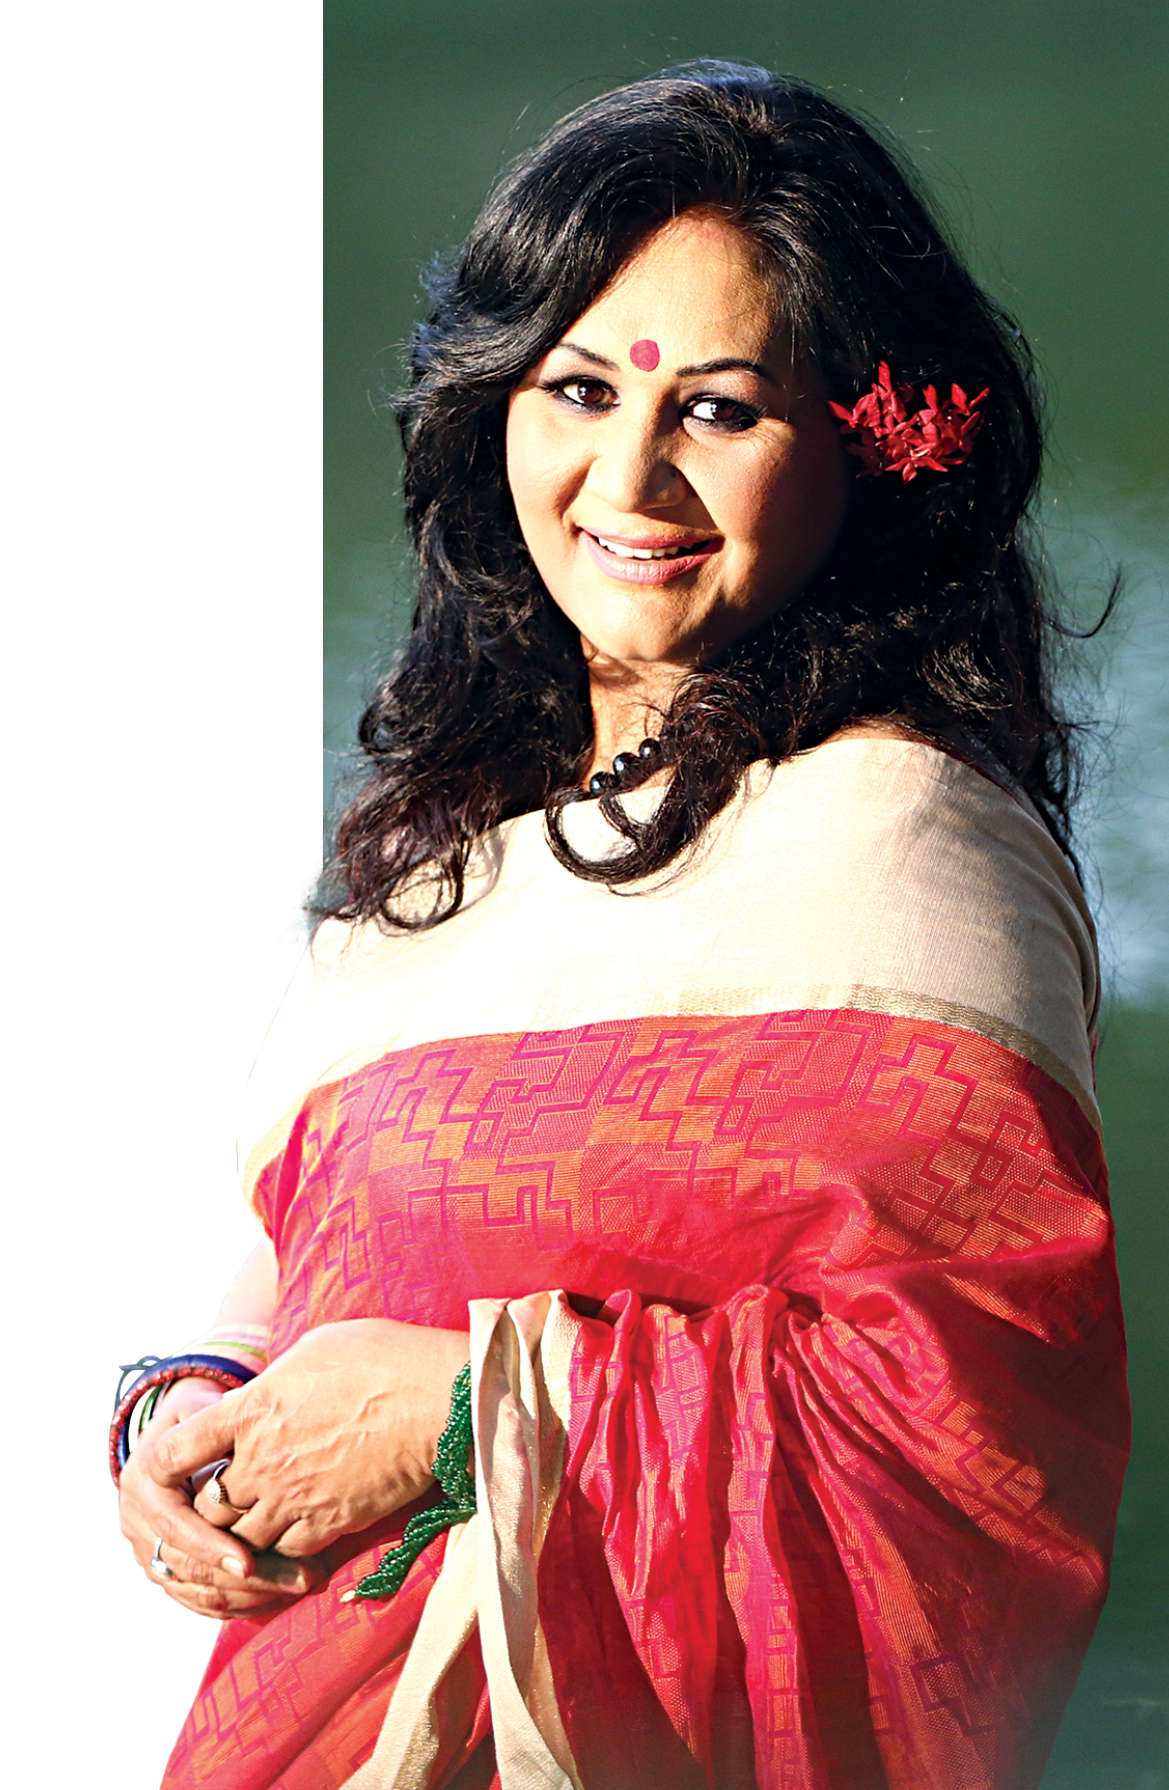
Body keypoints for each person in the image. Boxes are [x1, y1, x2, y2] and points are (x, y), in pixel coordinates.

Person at [114, 62, 1129, 1790]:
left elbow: (970, 1436)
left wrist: (471, 1417)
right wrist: (183, 1400)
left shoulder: (907, 852)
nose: (630, 476)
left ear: (868, 445)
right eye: (577, 388)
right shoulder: (433, 865)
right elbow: (314, 1254)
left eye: (717, 409)